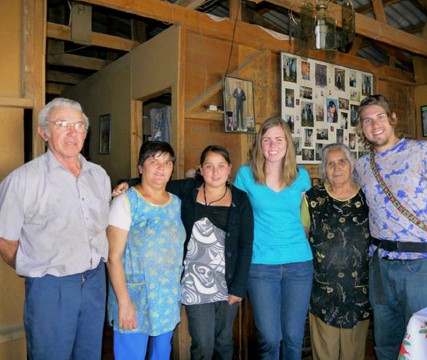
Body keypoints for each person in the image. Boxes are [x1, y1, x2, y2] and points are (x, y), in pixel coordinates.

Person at [354, 94, 427, 360]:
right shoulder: (362, 167)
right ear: (361, 128)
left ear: (392, 119)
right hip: (381, 265)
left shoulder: (423, 151)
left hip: (421, 267)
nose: (374, 125)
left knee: (425, 345)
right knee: (385, 344)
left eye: (380, 117)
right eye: (367, 121)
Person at [112, 145, 254, 359]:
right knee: (203, 345)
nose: (215, 172)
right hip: (190, 282)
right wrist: (126, 183)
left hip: (221, 281)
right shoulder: (187, 191)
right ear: (200, 170)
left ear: (229, 169)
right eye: (209, 166)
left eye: (221, 166)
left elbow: (245, 245)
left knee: (223, 342)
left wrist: (239, 286)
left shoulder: (239, 199)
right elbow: (154, 181)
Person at [0, 97, 111, 359]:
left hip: (95, 282)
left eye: (80, 125)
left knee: (89, 354)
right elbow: (5, 242)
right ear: (44, 132)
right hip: (50, 287)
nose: (73, 132)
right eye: (62, 124)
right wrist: (38, 269)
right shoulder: (22, 181)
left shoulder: (99, 176)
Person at [234, 117, 313, 359]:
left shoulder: (301, 176)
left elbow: (306, 218)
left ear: (288, 143)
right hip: (260, 266)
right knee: (270, 337)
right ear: (259, 144)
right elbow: (232, 213)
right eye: (267, 139)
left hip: (299, 264)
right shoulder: (246, 175)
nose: (272, 145)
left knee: (293, 338)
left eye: (279, 139)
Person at [107, 141, 186, 360]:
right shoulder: (125, 202)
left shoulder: (177, 203)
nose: (161, 168)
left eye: (167, 162)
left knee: (162, 355)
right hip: (134, 297)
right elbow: (113, 258)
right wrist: (124, 304)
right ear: (141, 167)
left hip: (166, 298)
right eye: (153, 161)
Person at [301, 143, 371, 360]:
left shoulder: (368, 197)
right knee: (324, 351)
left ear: (352, 166)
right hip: (323, 288)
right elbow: (303, 236)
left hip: (358, 288)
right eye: (330, 163)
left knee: (353, 351)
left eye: (342, 161)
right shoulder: (312, 198)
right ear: (324, 169)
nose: (337, 167)